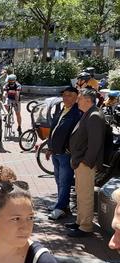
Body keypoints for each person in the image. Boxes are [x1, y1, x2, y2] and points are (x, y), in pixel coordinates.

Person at [68, 89, 106, 238]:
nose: (77, 101)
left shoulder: (94, 115)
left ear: (88, 100)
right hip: (81, 162)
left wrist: (86, 162)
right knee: (80, 193)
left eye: (80, 99)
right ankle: (80, 221)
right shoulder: (89, 113)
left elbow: (95, 144)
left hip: (85, 163)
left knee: (85, 195)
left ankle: (85, 226)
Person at [46, 87, 82, 221]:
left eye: (69, 95)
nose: (65, 98)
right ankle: (62, 203)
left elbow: (76, 136)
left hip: (65, 154)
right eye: (64, 95)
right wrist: (50, 148)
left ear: (76, 97)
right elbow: (54, 129)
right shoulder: (63, 109)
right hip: (56, 152)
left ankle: (60, 208)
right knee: (58, 179)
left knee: (64, 181)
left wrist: (68, 150)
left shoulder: (77, 113)